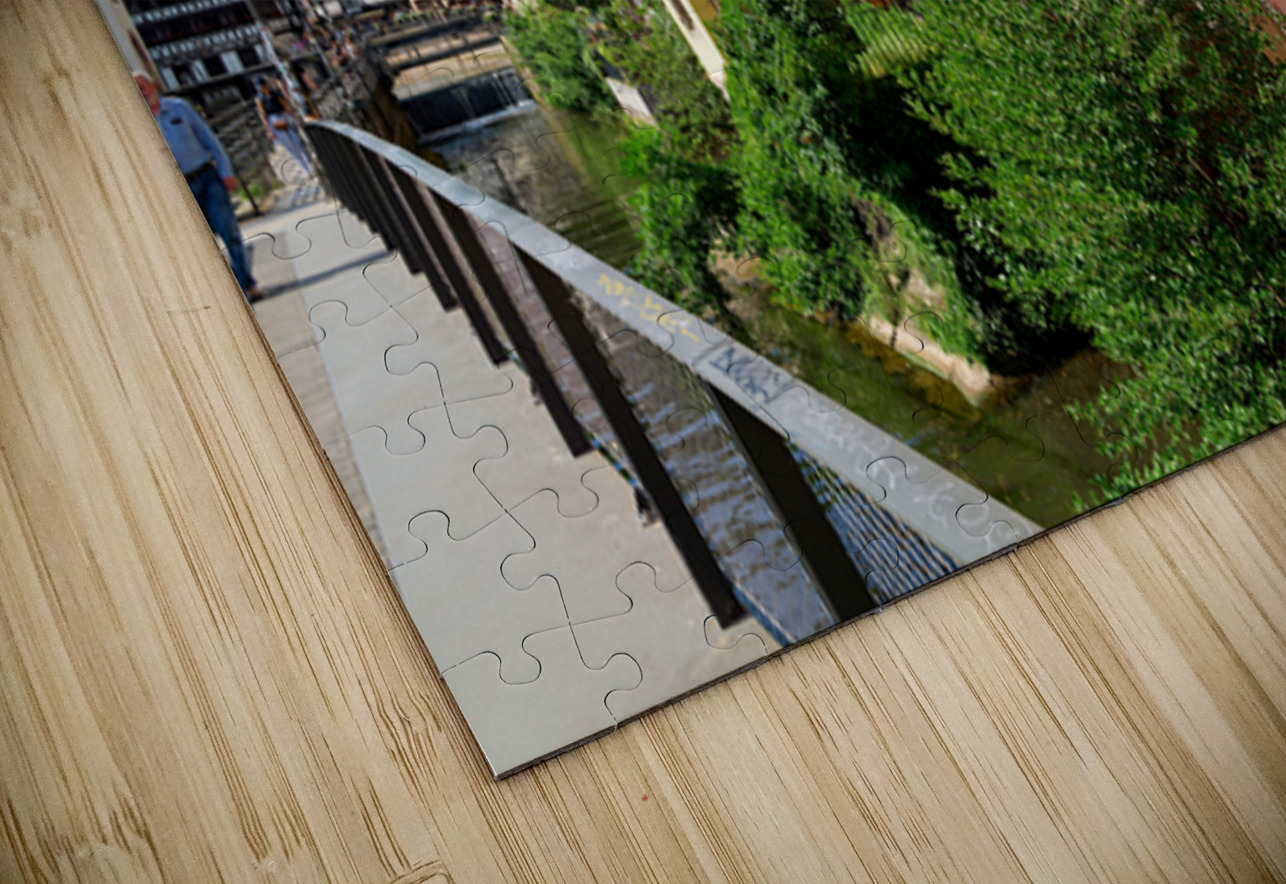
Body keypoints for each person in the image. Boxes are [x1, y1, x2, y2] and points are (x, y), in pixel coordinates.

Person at [132, 71, 263, 302]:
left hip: (207, 177)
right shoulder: (134, 124)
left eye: (143, 85)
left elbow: (208, 139)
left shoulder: (179, 108)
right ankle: (228, 291)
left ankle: (247, 283)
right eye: (135, 88)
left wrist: (225, 171)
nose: (140, 91)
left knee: (229, 232)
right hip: (180, 189)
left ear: (153, 87)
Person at [254, 75, 313, 179]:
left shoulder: (275, 93)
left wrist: (293, 116)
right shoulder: (260, 99)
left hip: (283, 115)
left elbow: (285, 105)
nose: (263, 88)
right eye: (261, 87)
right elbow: (263, 114)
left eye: (263, 85)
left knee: (296, 140)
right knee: (289, 146)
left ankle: (309, 164)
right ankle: (304, 168)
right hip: (273, 120)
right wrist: (268, 130)